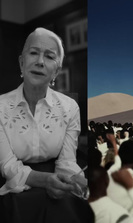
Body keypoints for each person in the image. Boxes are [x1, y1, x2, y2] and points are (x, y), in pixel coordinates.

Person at [0, 27, 91, 222]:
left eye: (49, 56)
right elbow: (8, 166)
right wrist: (45, 181)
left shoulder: (70, 108)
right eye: (33, 53)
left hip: (56, 178)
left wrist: (77, 181)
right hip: (12, 184)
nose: (40, 62)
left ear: (56, 71)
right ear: (21, 62)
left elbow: (66, 161)